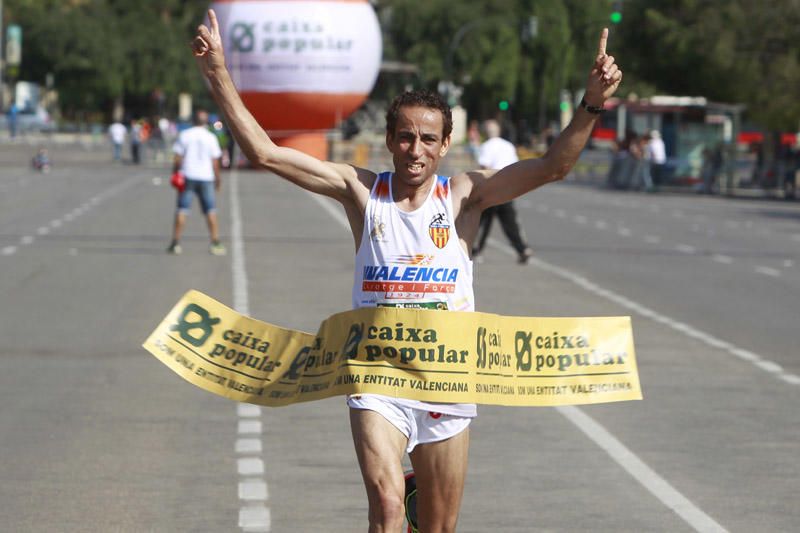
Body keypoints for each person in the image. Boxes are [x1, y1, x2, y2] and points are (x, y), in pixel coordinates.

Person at [191, 9, 621, 531]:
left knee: (438, 527)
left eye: (426, 140)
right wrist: (217, 70)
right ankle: (400, 499)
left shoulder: (463, 195)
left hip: (447, 381)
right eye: (404, 137)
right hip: (377, 377)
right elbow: (264, 153)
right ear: (390, 139)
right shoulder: (361, 191)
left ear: (444, 145)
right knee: (387, 506)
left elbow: (554, 166)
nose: (414, 150)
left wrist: (592, 103)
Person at [472, 119, 533, 264]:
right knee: (510, 222)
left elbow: (484, 167)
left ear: (486, 132)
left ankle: (476, 250)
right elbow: (516, 166)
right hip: (507, 188)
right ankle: (522, 249)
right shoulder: (508, 146)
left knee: (483, 222)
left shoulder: (486, 146)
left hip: (491, 187)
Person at [167, 109, 226, 256]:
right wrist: (218, 179)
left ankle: (175, 242)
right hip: (206, 176)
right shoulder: (211, 137)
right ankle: (215, 241)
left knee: (182, 209)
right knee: (210, 210)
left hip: (188, 175)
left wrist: (175, 174)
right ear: (206, 122)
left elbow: (178, 158)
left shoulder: (185, 135)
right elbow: (215, 161)